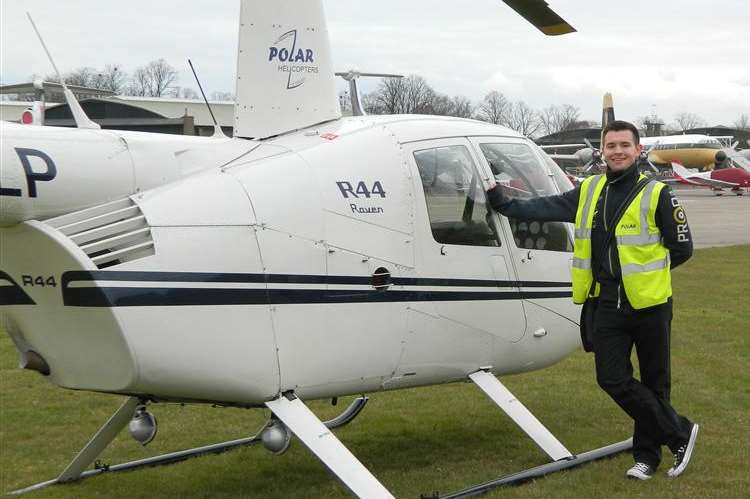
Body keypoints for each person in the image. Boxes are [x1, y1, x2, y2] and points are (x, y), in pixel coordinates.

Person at [486, 120, 698, 480]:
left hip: (649, 305)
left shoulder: (658, 193)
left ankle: (646, 458)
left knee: (655, 383)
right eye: (611, 145)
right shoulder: (589, 190)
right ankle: (680, 432)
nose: (617, 151)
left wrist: (646, 278)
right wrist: (503, 203)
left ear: (638, 150)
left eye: (624, 145)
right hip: (605, 304)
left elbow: (682, 249)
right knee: (612, 379)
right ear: (602, 151)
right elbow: (545, 207)